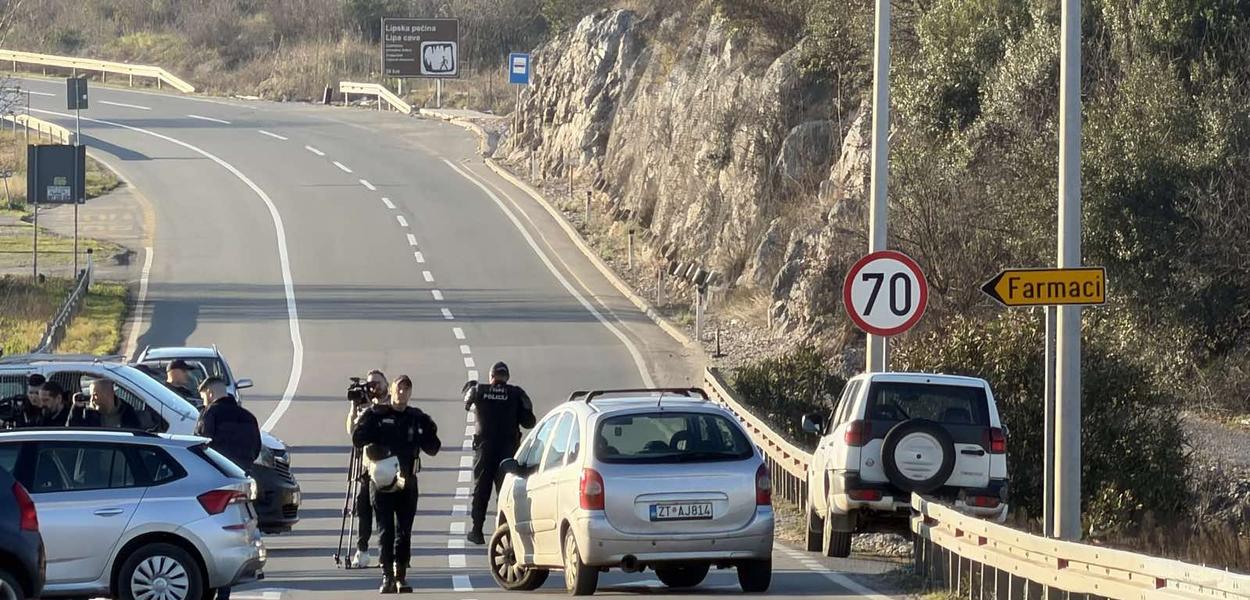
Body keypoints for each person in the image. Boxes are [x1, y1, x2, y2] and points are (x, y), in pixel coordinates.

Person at [353, 375, 441, 594]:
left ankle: (400, 575)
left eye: (406, 389)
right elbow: (357, 439)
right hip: (381, 482)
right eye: (399, 388)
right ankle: (387, 576)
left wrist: (426, 431)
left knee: (404, 531)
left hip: (407, 482)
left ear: (410, 393)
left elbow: (433, 447)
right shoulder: (376, 415)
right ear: (391, 391)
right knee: (385, 530)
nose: (402, 393)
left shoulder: (416, 418)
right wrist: (365, 422)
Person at [195, 378, 261, 600]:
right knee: (236, 534)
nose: (204, 401)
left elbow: (200, 447)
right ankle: (227, 588)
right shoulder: (248, 417)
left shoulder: (209, 414)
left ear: (210, 393)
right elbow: (256, 449)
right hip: (242, 481)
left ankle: (213, 590)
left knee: (211, 537)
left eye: (203, 396)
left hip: (215, 483)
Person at [463, 361, 536, 544]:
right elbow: (529, 422)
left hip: (484, 450)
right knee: (506, 492)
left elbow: (466, 402)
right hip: (508, 450)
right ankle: (506, 532)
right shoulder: (516, 393)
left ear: (491, 377)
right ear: (507, 377)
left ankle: (477, 531)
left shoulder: (479, 390)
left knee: (481, 490)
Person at [345, 369, 389, 569]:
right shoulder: (364, 406)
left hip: (387, 466)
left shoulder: (392, 404)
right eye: (370, 384)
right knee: (363, 507)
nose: (373, 387)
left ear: (386, 384)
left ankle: (386, 553)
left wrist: (371, 410)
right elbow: (351, 431)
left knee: (384, 512)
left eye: (377, 383)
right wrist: (354, 407)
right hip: (366, 466)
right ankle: (361, 550)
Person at [68, 379, 143, 429]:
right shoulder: (89, 413)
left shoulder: (127, 412)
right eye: (91, 396)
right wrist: (76, 409)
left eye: (95, 395)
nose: (92, 399)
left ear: (107, 394)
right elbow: (73, 433)